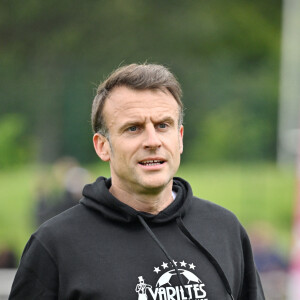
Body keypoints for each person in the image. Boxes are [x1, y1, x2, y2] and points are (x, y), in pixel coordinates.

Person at [9, 63, 265, 299]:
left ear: (180, 138)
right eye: (133, 128)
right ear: (102, 146)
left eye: (163, 125)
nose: (153, 141)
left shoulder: (224, 230)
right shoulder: (55, 245)